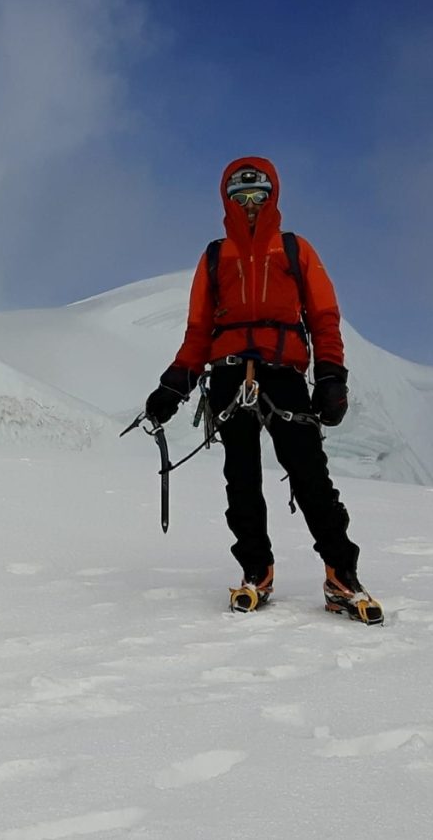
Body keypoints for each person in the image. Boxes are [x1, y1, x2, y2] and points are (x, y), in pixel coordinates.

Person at [144, 156, 382, 624]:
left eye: (258, 196)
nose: (250, 206)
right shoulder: (214, 257)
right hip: (230, 377)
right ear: (226, 200)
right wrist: (173, 387)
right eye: (240, 197)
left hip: (285, 374)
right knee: (242, 481)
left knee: (312, 477)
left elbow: (323, 317)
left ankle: (342, 574)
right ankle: (257, 570)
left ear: (272, 197)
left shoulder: (295, 250)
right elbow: (198, 333)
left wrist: (331, 375)